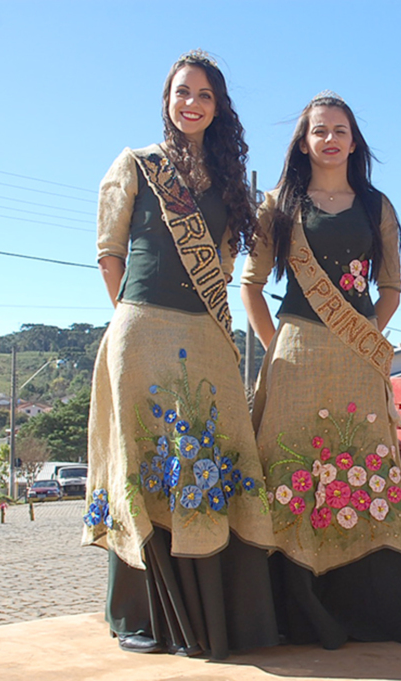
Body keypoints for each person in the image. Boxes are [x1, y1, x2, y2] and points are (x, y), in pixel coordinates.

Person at [81, 50, 278, 660]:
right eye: (181, 92)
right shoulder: (136, 164)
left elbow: (220, 267)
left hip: (208, 337)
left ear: (219, 109)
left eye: (204, 95)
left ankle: (215, 614)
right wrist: (136, 320)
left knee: (209, 458)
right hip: (141, 331)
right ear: (166, 100)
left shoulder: (227, 184)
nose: (191, 103)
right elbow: (109, 252)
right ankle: (149, 613)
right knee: (148, 457)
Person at [241, 92, 401, 649]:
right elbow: (250, 284)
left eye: (340, 129)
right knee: (290, 469)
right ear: (303, 140)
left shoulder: (377, 205)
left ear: (354, 140)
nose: (330, 139)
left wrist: (365, 337)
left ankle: (366, 611)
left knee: (362, 464)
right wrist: (278, 346)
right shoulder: (279, 204)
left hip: (356, 360)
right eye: (319, 130)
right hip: (295, 357)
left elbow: (389, 288)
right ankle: (290, 610)